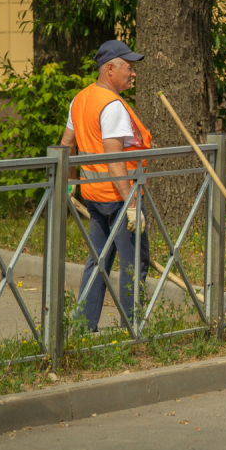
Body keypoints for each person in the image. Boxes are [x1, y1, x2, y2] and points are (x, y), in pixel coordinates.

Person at [59, 40, 152, 331]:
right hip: (120, 196)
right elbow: (114, 160)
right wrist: (133, 205)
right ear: (110, 68)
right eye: (129, 67)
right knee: (133, 262)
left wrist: (70, 183)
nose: (133, 73)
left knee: (97, 261)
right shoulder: (112, 107)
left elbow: (66, 145)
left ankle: (84, 327)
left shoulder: (81, 99)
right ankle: (132, 328)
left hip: (94, 195)